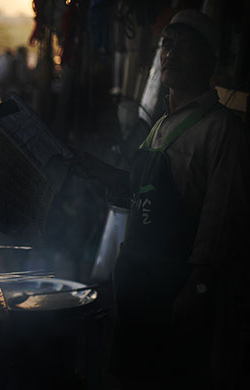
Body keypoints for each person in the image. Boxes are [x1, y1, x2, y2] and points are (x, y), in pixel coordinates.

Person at [75, 10, 250, 389]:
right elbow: (142, 188)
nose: (170, 54)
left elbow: (220, 223)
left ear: (210, 62)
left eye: (185, 47)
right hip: (138, 284)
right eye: (167, 44)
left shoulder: (223, 130)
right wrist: (90, 168)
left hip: (177, 292)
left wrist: (198, 287)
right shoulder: (160, 125)